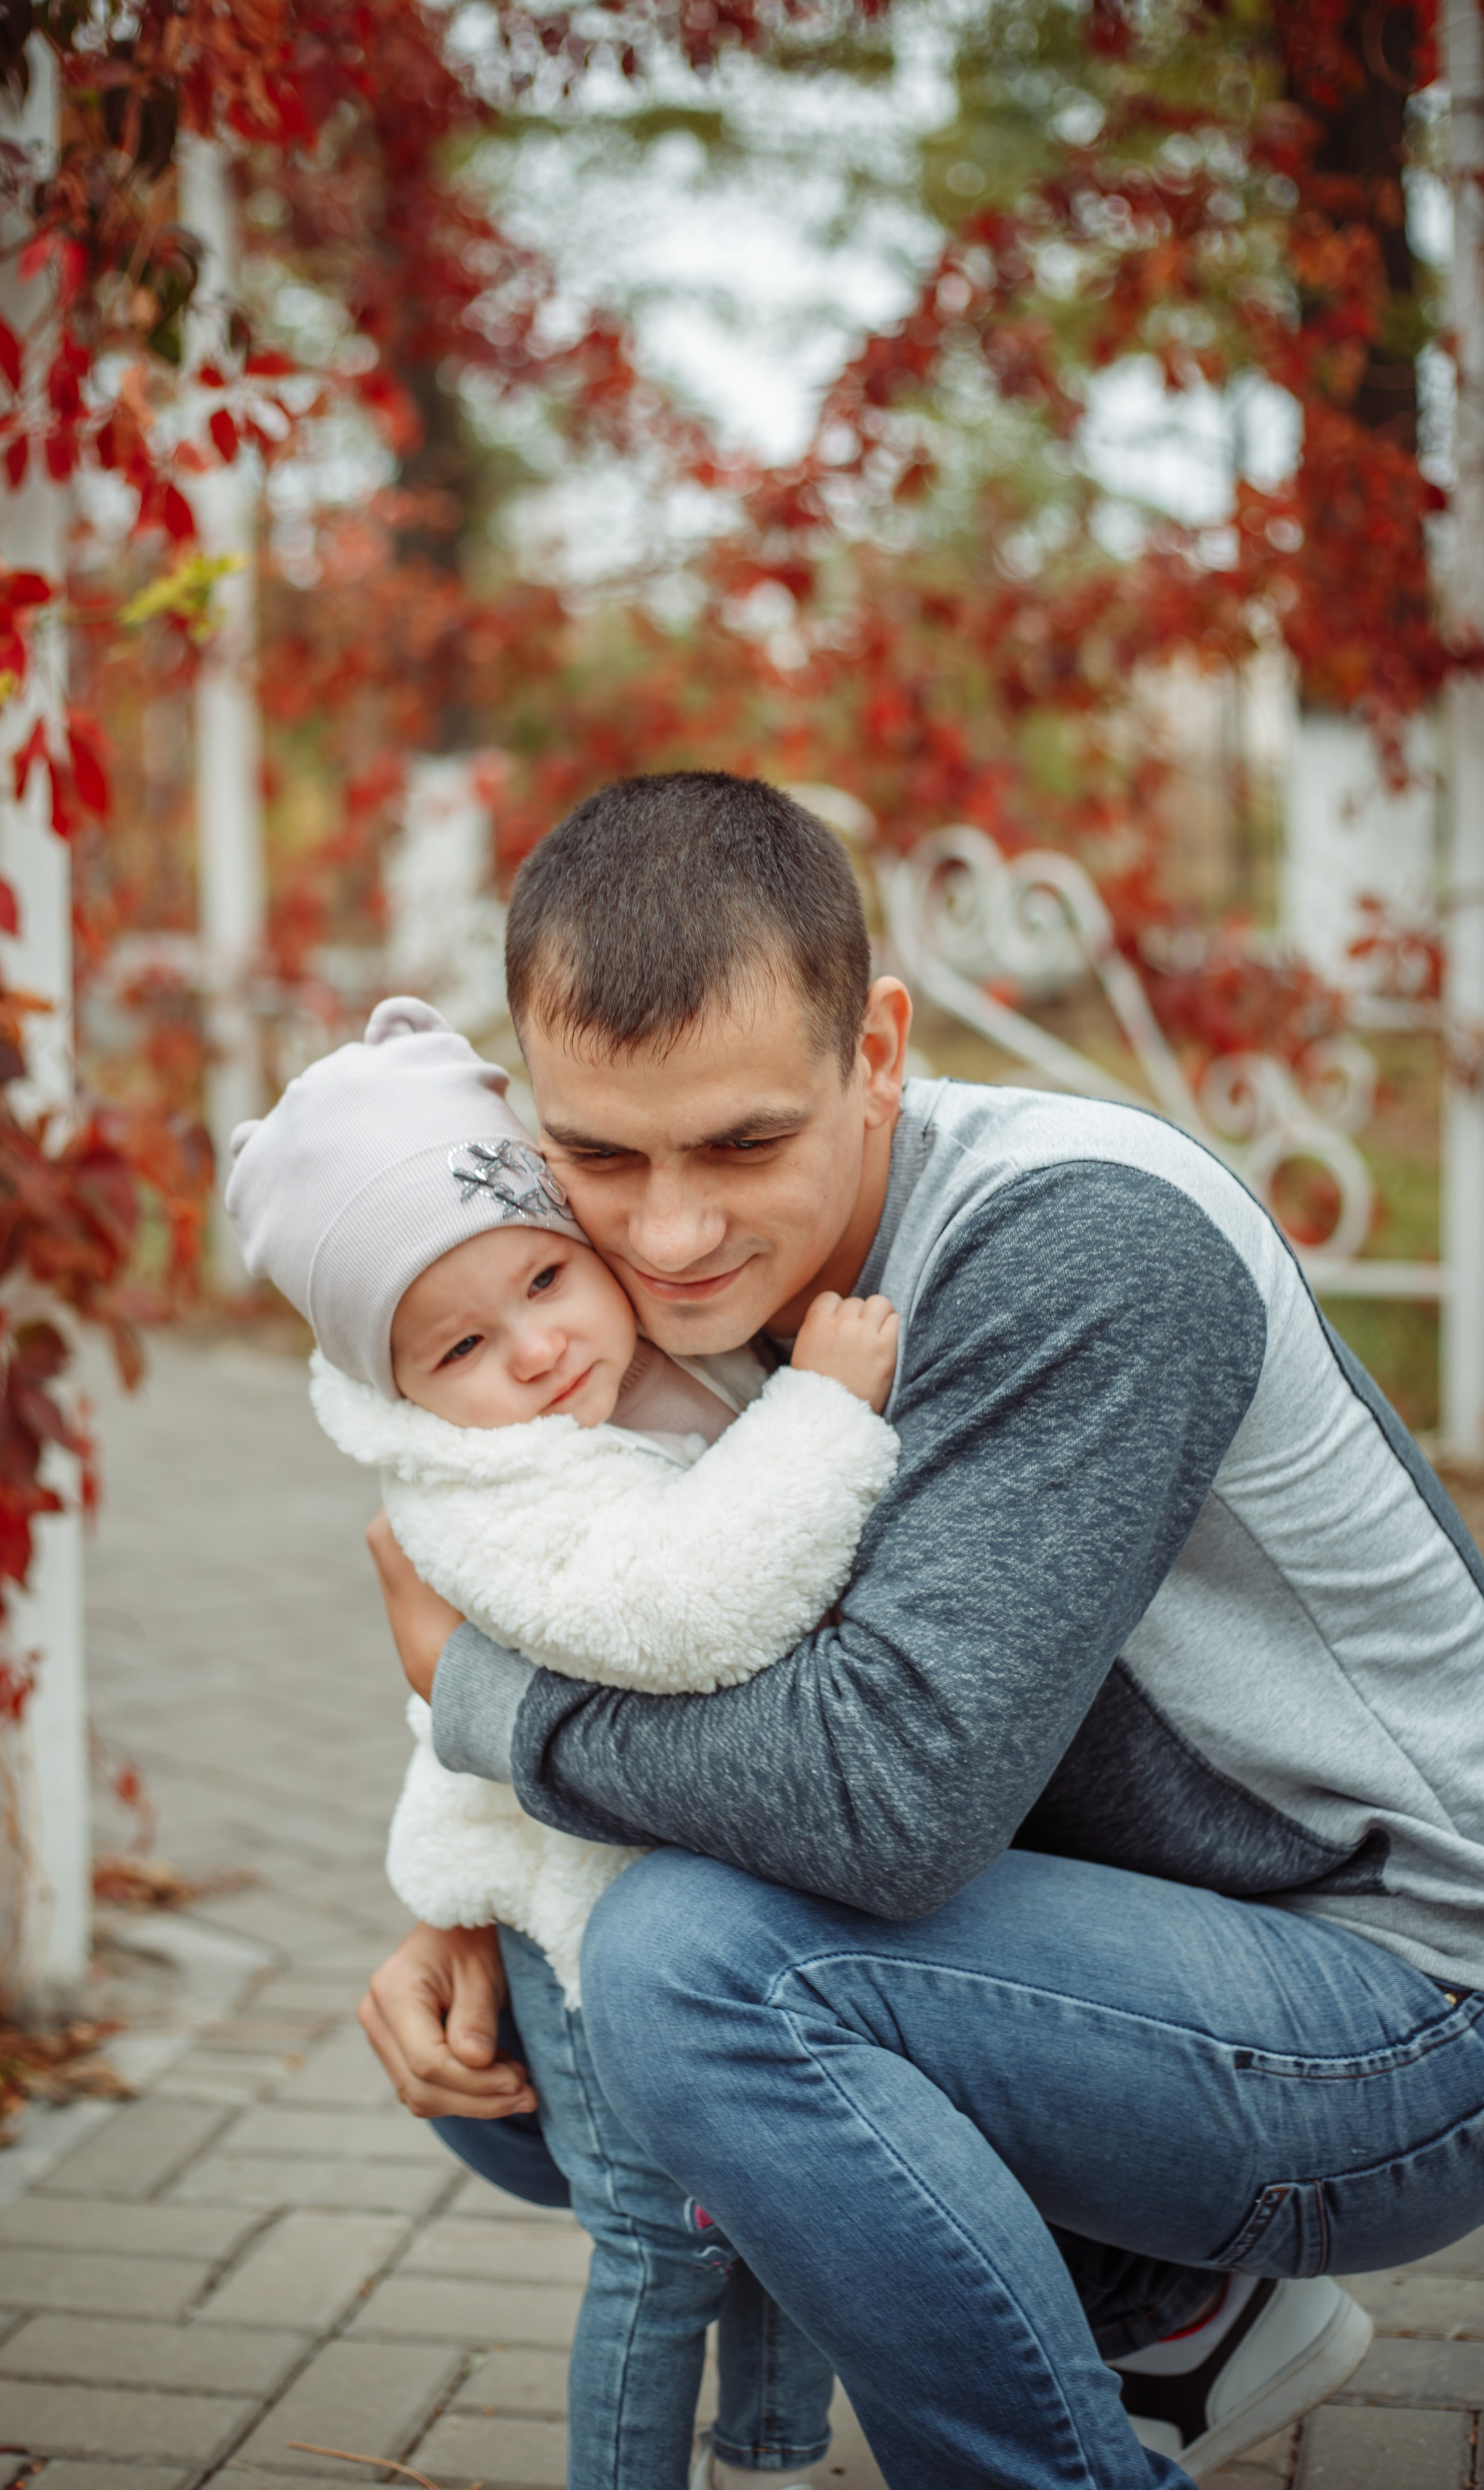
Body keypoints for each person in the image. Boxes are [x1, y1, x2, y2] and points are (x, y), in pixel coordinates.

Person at [359, 770, 1484, 2490]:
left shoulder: (1087, 1244)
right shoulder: (658, 1299)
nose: (669, 1232)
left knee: (688, 1968)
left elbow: (887, 1802)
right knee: (549, 2036)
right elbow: (685, 1650)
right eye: (600, 1153)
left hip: (1404, 2003)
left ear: (877, 1050)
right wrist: (464, 1890)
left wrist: (483, 1696)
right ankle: (1165, 2299)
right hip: (1139, 1933)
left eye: (744, 1142)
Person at [225, 994, 904, 2490]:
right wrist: (825, 1414)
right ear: (400, 1389)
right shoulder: (489, 1492)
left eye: (544, 1274)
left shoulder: (644, 1366)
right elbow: (686, 1613)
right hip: (573, 1907)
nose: (534, 1350)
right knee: (660, 2239)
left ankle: (776, 2453)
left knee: (782, 2209)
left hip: (709, 1877)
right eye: (463, 1344)